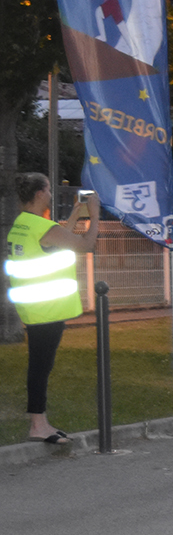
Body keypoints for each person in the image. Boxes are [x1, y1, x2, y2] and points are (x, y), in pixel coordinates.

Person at [6, 174, 99, 443]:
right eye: (47, 189)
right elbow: (85, 244)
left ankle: (41, 421)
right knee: (40, 367)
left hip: (34, 307)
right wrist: (93, 216)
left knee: (39, 365)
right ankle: (37, 425)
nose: (50, 193)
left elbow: (55, 243)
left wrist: (74, 215)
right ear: (38, 194)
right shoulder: (41, 227)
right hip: (47, 309)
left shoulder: (23, 224)